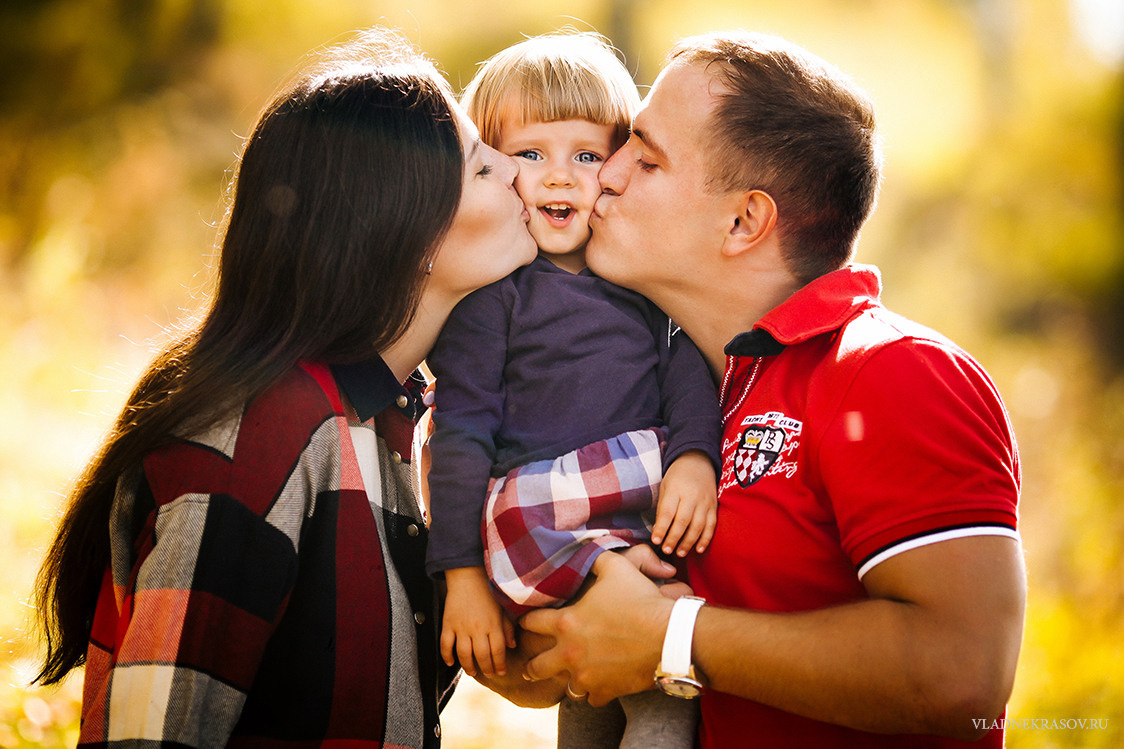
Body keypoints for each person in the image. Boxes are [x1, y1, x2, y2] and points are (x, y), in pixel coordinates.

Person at [33, 28, 539, 748]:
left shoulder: (394, 419)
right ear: (402, 229)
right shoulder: (257, 436)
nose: (520, 174)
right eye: (483, 167)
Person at [521, 30, 1025, 748]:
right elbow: (597, 646)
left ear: (744, 221)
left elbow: (962, 673)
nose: (607, 172)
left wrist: (669, 636)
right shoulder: (665, 383)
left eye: (647, 155)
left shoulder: (893, 372)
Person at [423, 33, 721, 748]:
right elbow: (461, 433)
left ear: (617, 167)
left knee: (640, 698)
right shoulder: (493, 297)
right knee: (613, 693)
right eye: (531, 155)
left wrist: (694, 456)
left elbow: (685, 367)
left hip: (643, 515)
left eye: (586, 156)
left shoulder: (632, 275)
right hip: (546, 527)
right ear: (493, 169)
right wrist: (460, 574)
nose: (561, 178)